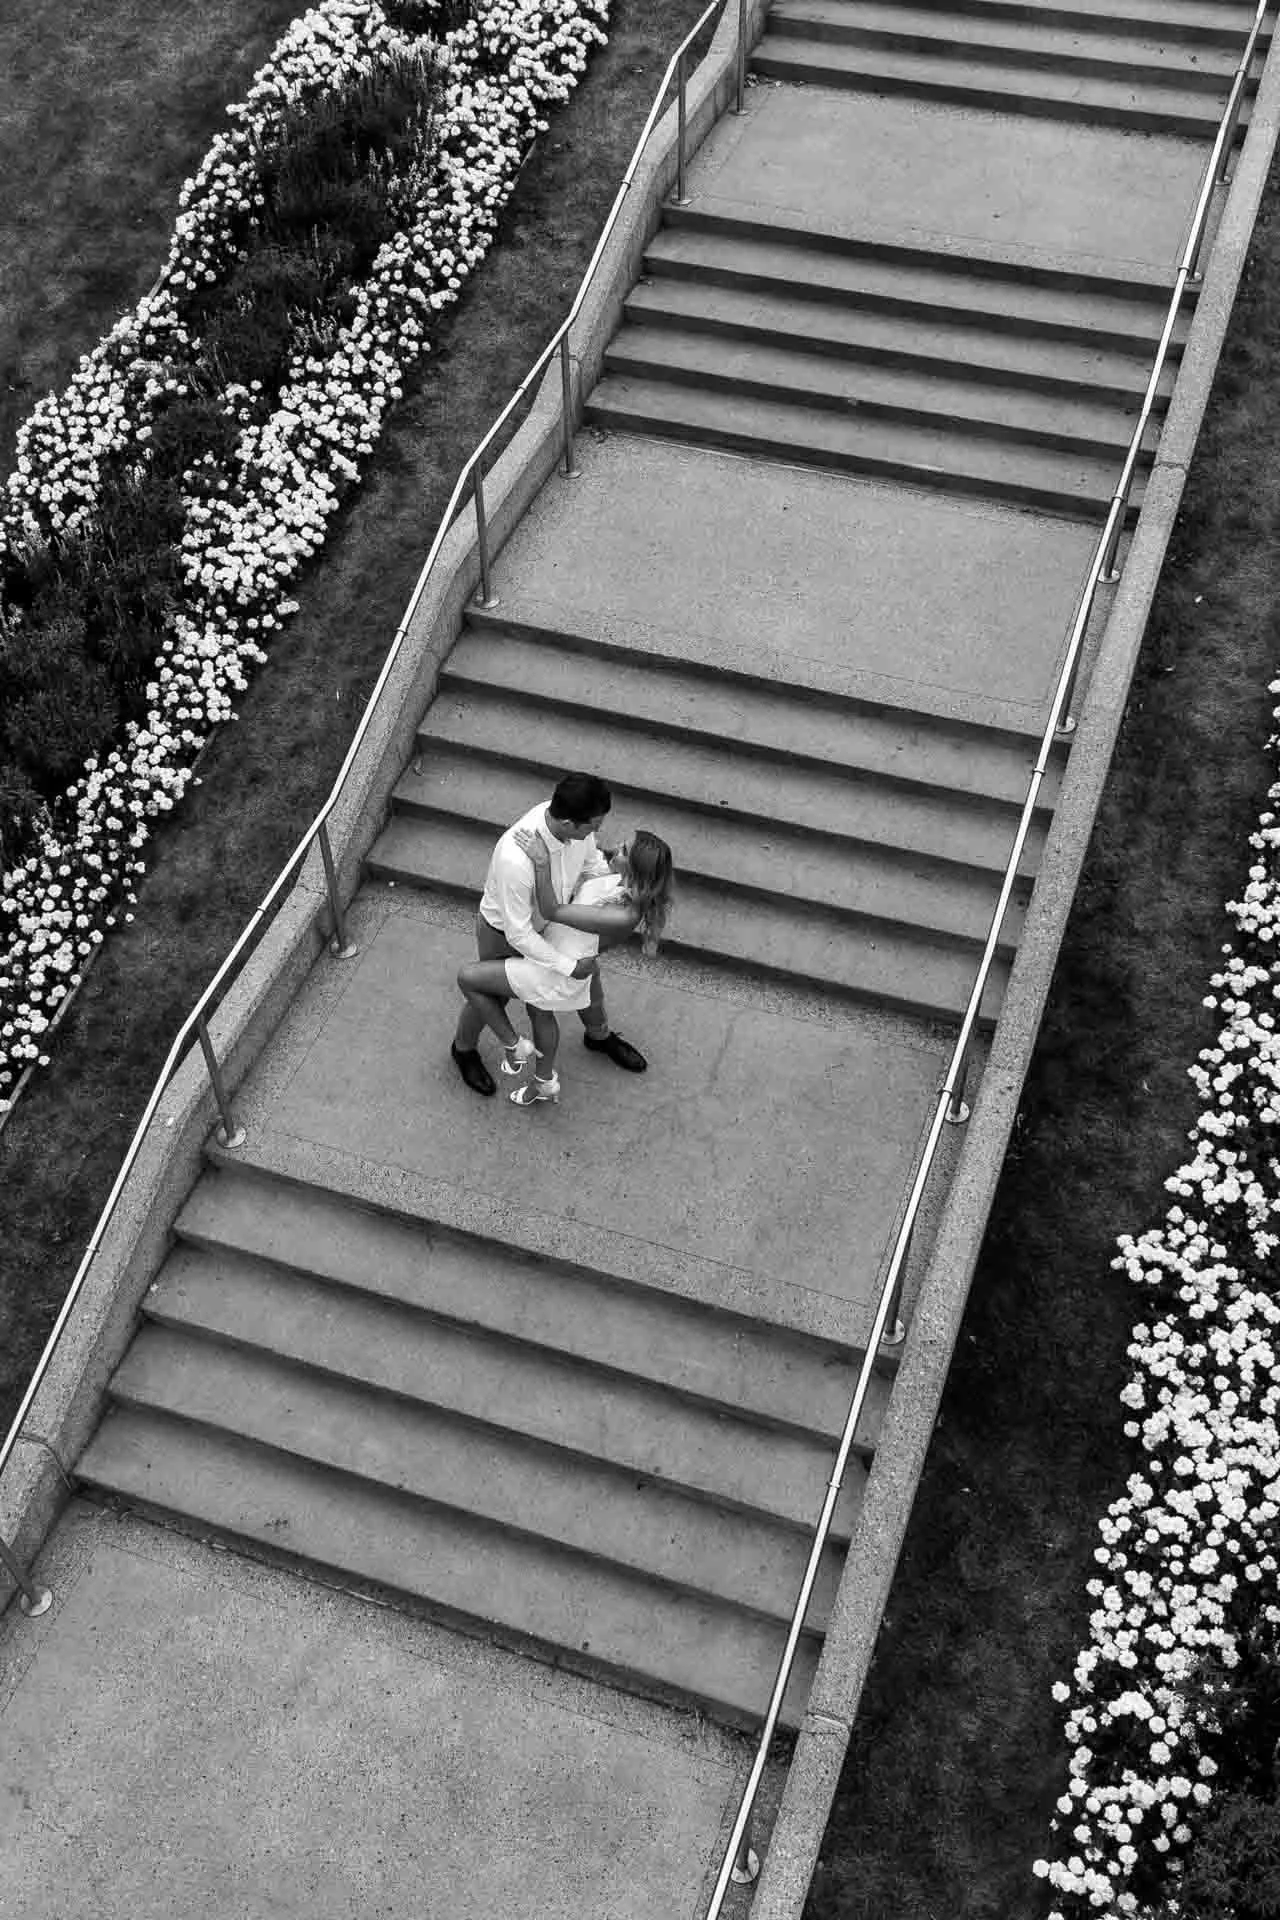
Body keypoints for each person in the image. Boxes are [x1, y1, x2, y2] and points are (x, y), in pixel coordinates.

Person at [449, 772, 648, 1096]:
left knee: (590, 985)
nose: (597, 834)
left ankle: (598, 1037)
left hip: (553, 926)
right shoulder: (516, 860)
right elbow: (519, 934)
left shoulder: (574, 827)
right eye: (593, 827)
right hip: (504, 934)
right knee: (493, 994)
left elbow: (591, 866)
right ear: (569, 823)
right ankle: (463, 1049)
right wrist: (567, 966)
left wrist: (619, 882)